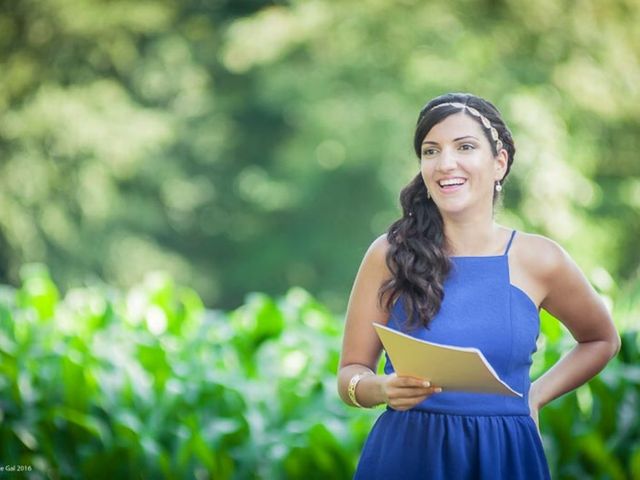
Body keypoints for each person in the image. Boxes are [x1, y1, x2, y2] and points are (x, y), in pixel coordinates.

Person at [337, 92, 621, 479]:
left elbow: (601, 339)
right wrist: (381, 389)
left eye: (465, 147)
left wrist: (535, 395)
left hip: (504, 457)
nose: (445, 163)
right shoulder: (389, 253)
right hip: (408, 457)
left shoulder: (540, 259)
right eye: (431, 150)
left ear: (499, 162)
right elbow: (350, 372)